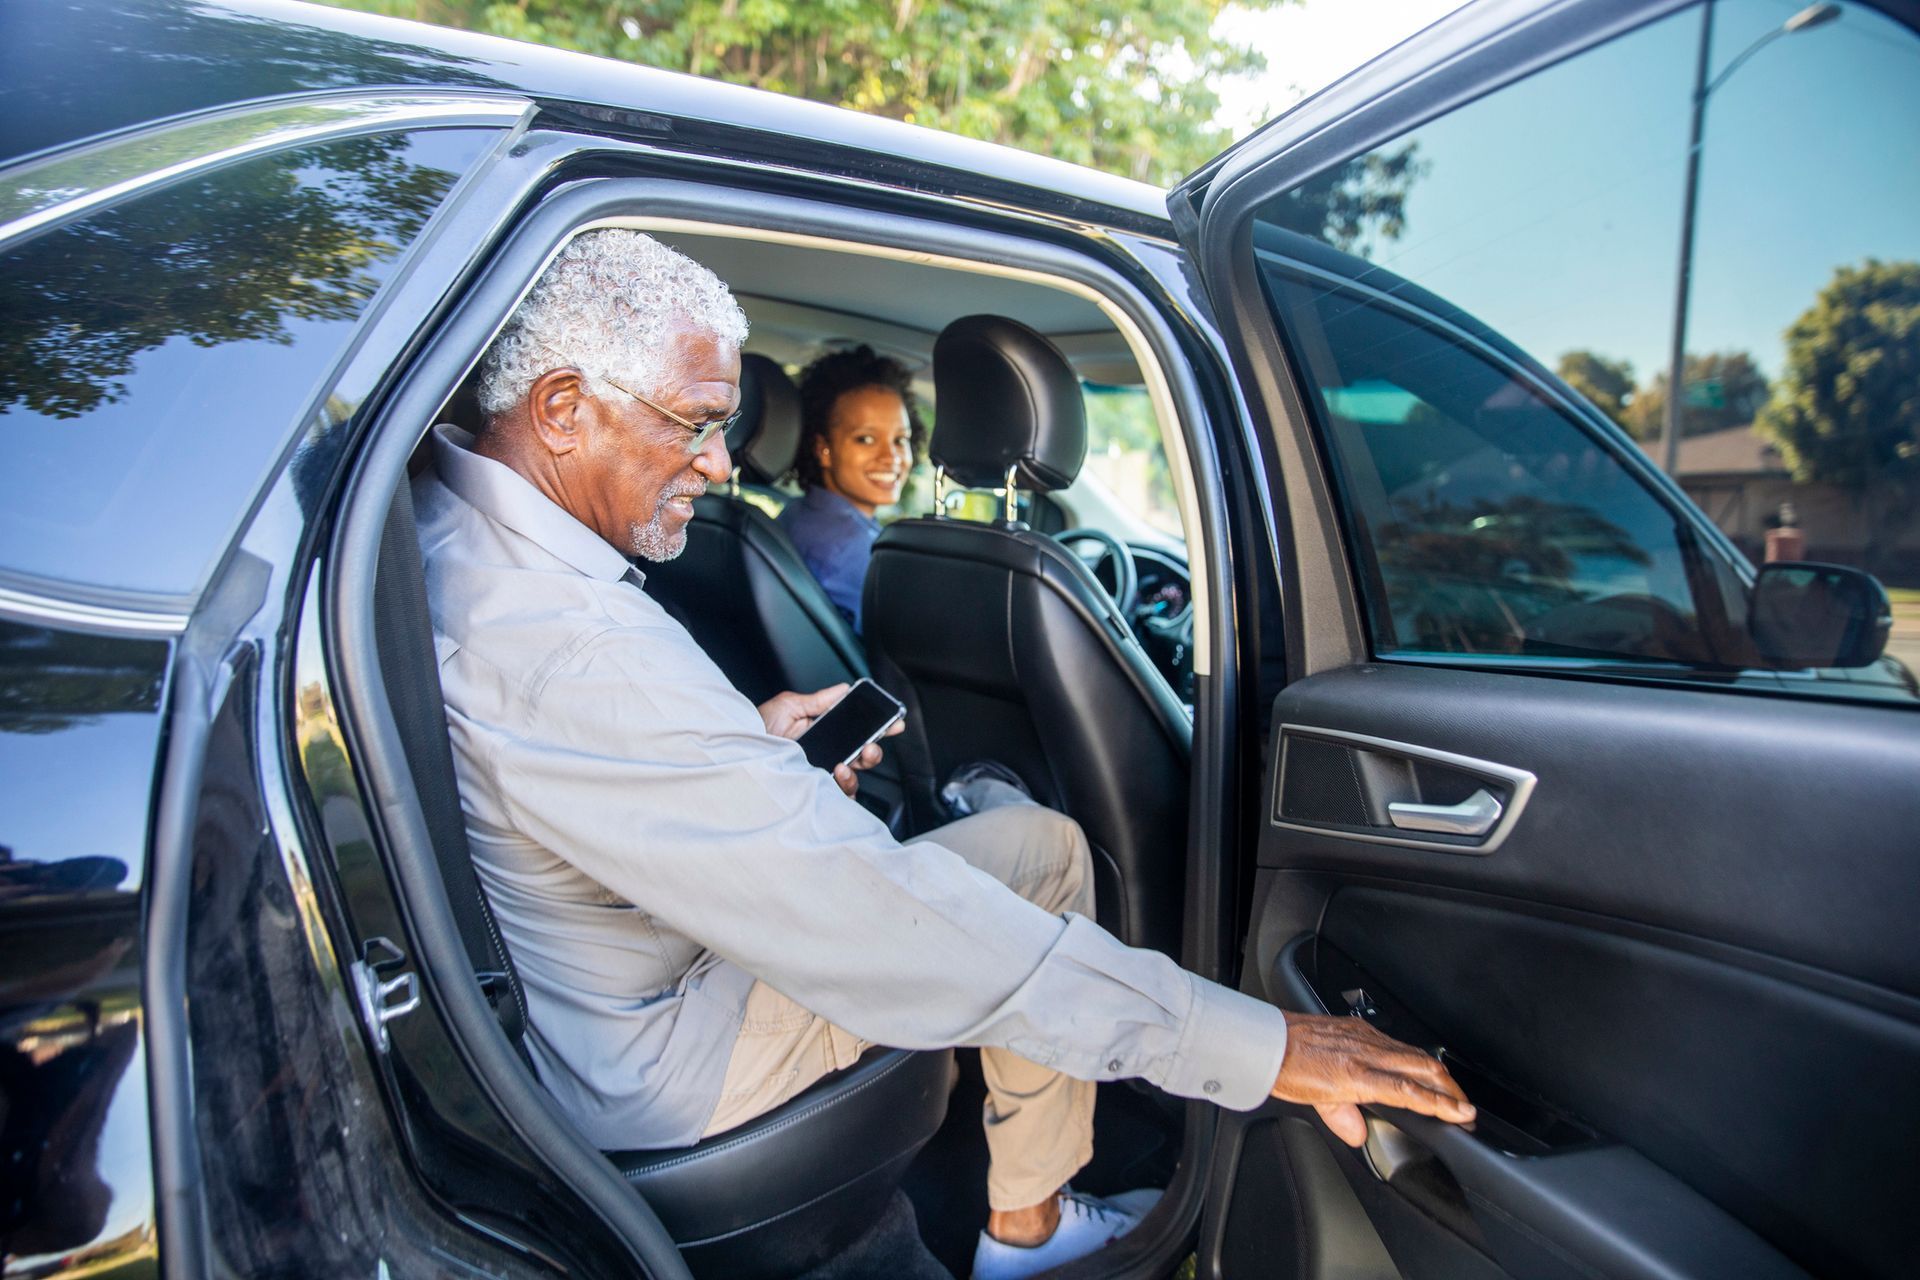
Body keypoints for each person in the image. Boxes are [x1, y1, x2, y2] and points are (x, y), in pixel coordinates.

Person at [413, 229, 1473, 1280]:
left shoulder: (448, 535)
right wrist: (1256, 1045)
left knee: (1019, 843)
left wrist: (748, 748)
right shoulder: (578, 648)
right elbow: (881, 919)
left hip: (592, 1000)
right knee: (1045, 860)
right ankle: (1030, 1224)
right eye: (696, 423)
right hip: (667, 1056)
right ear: (561, 410)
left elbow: (598, 764)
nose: (722, 464)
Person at [777, 344, 923, 632]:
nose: (891, 457)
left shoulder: (798, 513)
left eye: (900, 439)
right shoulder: (855, 551)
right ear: (823, 448)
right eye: (866, 439)